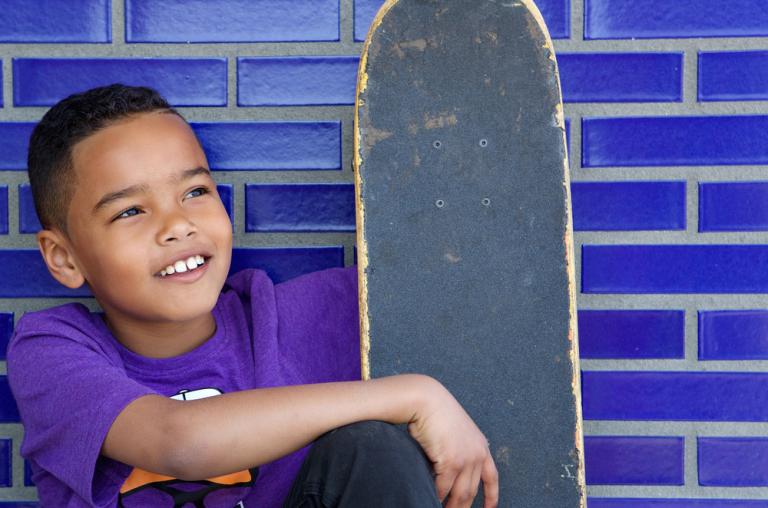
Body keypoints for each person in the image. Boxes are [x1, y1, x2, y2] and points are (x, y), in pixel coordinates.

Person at [7, 84, 498, 508]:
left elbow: (460, 278)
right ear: (65, 258)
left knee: (371, 449)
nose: (177, 225)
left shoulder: (295, 317)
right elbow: (179, 441)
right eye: (131, 211)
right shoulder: (54, 352)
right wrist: (414, 394)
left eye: (195, 192)